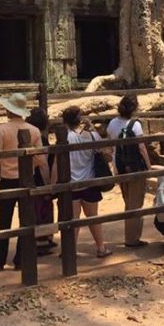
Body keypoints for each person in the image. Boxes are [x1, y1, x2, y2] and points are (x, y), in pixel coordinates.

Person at [0, 93, 48, 272]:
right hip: (28, 178)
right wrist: (29, 163)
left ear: (8, 109)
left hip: (7, 178)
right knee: (26, 220)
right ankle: (21, 259)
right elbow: (41, 159)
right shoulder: (34, 131)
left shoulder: (2, 129)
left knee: (4, 222)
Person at [54, 106, 112, 258]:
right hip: (89, 182)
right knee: (93, 217)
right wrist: (91, 127)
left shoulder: (63, 137)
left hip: (71, 183)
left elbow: (56, 164)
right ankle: (101, 247)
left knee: (73, 219)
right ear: (79, 120)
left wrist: (53, 185)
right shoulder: (91, 136)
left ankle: (70, 249)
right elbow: (101, 149)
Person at [106, 95, 152, 248]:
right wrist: (148, 165)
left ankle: (132, 235)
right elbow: (141, 147)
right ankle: (132, 238)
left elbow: (110, 145)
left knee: (128, 201)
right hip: (135, 169)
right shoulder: (135, 125)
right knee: (135, 203)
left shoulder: (112, 123)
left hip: (119, 167)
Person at [25, 107, 56, 255]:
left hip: (29, 177)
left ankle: (44, 238)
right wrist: (48, 182)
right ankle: (43, 241)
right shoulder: (41, 139)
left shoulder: (26, 136)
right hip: (40, 177)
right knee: (43, 209)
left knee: (36, 210)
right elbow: (43, 163)